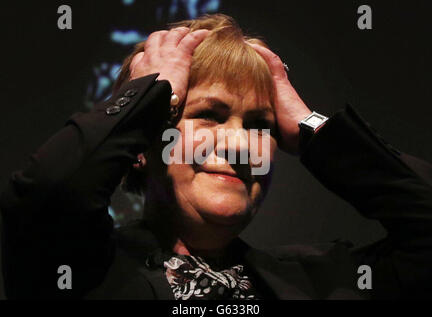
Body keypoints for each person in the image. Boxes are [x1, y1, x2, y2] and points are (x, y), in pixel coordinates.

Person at [1, 14, 431, 300]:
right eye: (209, 114)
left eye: (261, 125)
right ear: (141, 149)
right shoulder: (77, 268)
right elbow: (48, 193)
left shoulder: (317, 283)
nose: (240, 144)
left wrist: (309, 124)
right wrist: (147, 96)